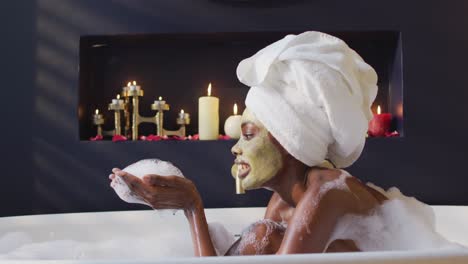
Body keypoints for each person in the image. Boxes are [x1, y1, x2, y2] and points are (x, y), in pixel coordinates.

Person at [109, 31, 386, 255]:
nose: (235, 147)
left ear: (289, 140)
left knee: (261, 236)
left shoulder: (327, 191)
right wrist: (190, 207)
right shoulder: (282, 201)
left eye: (249, 134)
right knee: (260, 236)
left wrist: (193, 206)